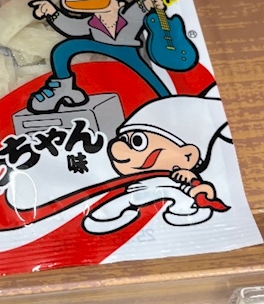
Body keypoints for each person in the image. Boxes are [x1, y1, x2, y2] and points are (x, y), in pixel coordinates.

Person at [24, 0, 171, 113]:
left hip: (126, 49)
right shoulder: (90, 22)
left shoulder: (129, 14)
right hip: (99, 44)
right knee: (64, 49)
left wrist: (151, 4)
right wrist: (53, 13)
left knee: (149, 77)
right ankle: (65, 87)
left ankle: (168, 100)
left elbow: (145, 8)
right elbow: (72, 27)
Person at [82, 95, 230, 234]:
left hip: (171, 194)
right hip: (136, 194)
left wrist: (195, 186)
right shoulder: (132, 180)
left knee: (180, 198)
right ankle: (102, 218)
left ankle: (186, 213)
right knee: (119, 203)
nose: (118, 149)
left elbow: (200, 188)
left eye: (138, 141)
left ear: (188, 156)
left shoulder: (178, 177)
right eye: (123, 139)